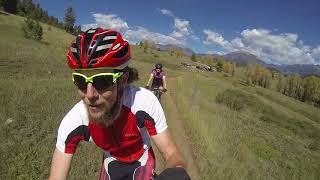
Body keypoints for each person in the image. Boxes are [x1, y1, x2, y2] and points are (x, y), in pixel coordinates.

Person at [48, 28, 190, 180]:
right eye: (81, 81)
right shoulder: (75, 120)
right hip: (111, 160)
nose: (89, 95)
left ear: (122, 81)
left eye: (102, 81)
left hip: (141, 159)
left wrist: (177, 172)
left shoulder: (144, 102)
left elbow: (172, 153)